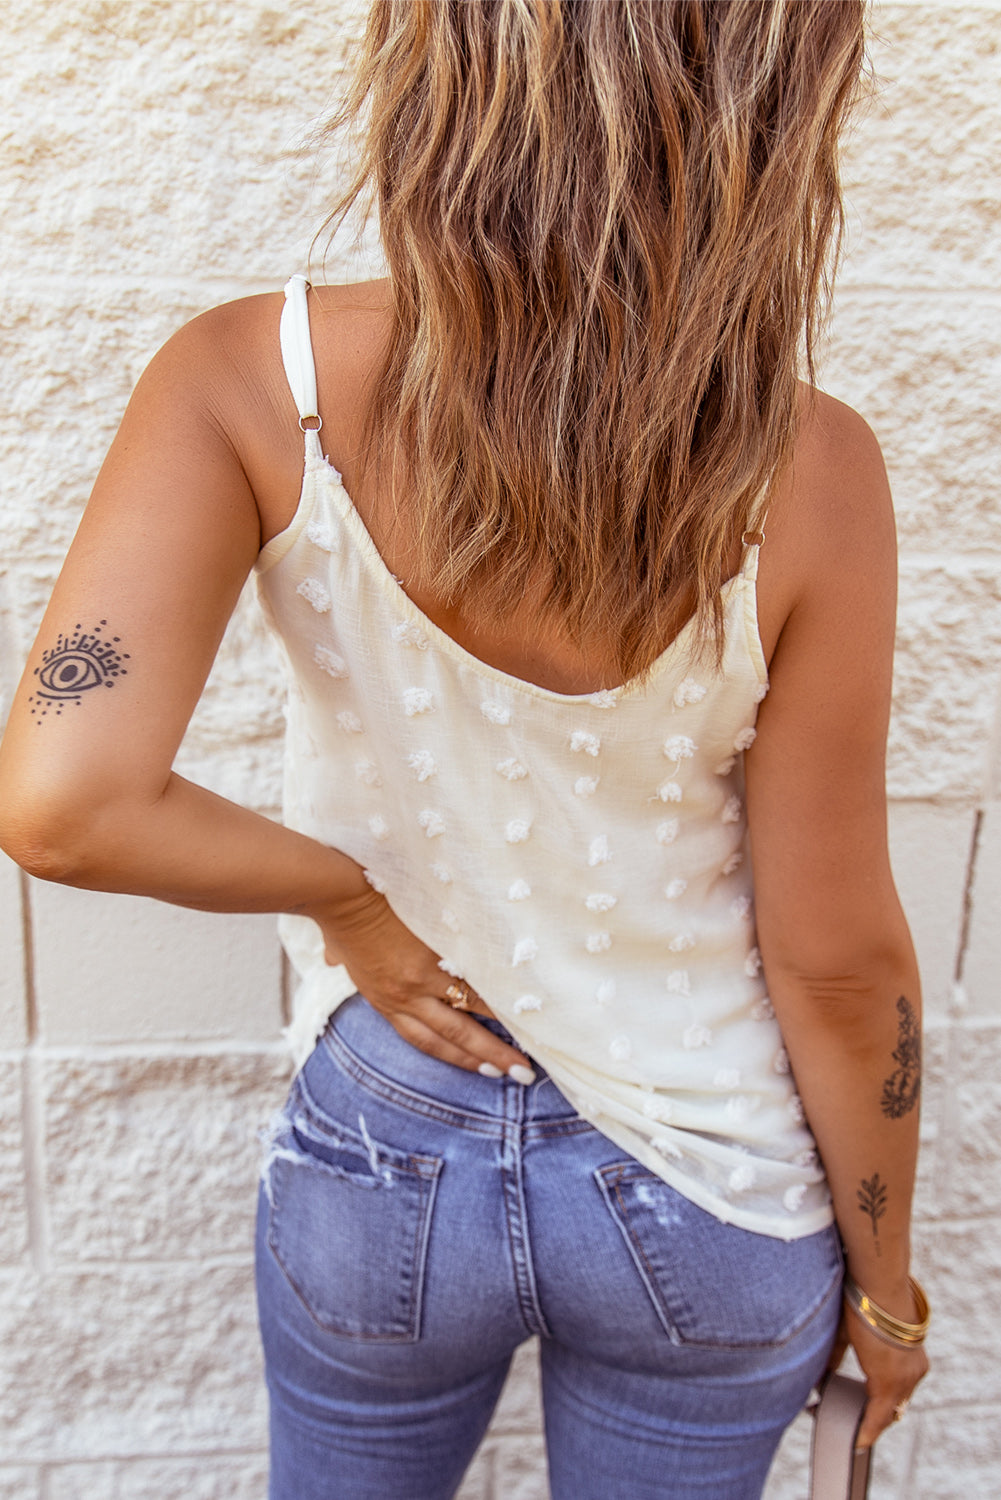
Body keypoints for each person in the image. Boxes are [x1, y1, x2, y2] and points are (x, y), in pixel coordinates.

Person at [0, 2, 929, 1496]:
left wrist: (347, 903)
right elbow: (834, 962)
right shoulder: (812, 469)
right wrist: (884, 1293)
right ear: (771, 124)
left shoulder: (256, 377)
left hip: (388, 1151)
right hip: (712, 1179)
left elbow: (63, 799)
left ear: (440, 79)